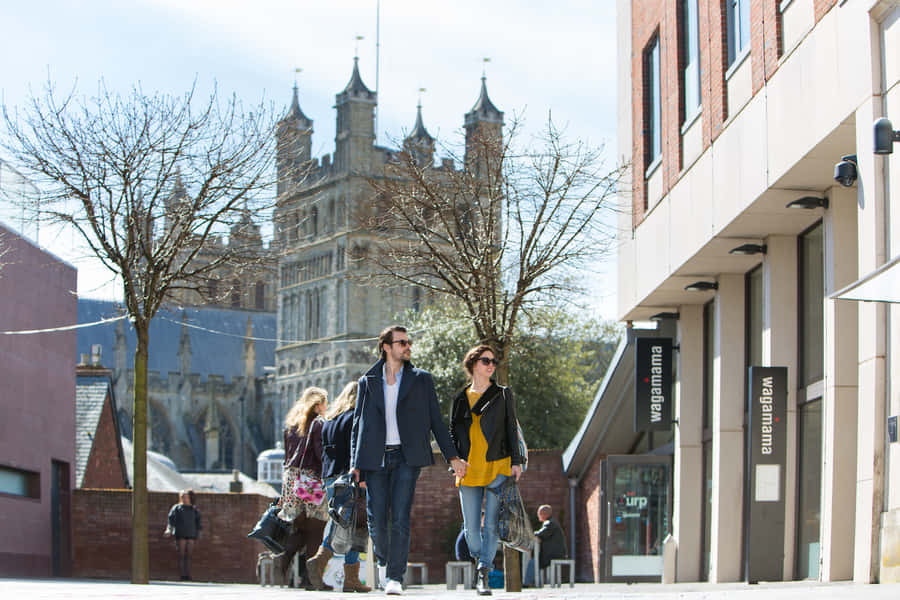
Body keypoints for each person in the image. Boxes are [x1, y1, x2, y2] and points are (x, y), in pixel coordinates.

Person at [350, 325, 468, 596]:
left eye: (408, 342)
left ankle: (394, 577)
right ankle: (382, 561)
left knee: (401, 517)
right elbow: (359, 426)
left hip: (407, 457)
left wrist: (452, 456)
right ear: (386, 347)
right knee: (377, 520)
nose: (407, 346)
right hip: (375, 459)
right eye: (401, 342)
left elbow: (436, 421)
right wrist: (354, 464)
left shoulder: (421, 379)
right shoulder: (367, 381)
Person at [449, 344, 524, 596]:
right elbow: (452, 434)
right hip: (468, 468)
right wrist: (454, 461)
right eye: (485, 360)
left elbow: (511, 428)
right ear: (472, 364)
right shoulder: (460, 398)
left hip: (498, 465)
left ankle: (483, 570)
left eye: (494, 361)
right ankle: (480, 561)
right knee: (471, 528)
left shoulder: (503, 394)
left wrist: (517, 461)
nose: (491, 364)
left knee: (491, 524)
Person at [306, 380, 371, 593]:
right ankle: (322, 560)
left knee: (345, 523)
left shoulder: (330, 421)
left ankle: (350, 578)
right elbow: (358, 448)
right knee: (354, 524)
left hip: (330, 477)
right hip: (350, 476)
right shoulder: (356, 418)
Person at [280, 387, 330, 590]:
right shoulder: (317, 424)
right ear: (318, 405)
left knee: (302, 527)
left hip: (291, 480)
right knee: (317, 527)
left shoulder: (291, 424)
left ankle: (282, 560)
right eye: (325, 403)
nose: (326, 407)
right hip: (310, 479)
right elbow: (320, 454)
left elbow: (286, 455)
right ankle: (311, 579)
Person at [524, 504, 568, 587]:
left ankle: (527, 583)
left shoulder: (549, 523)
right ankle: (533, 582)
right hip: (555, 553)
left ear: (544, 514)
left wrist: (531, 534)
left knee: (533, 562)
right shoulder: (552, 522)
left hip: (553, 554)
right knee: (535, 562)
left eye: (539, 513)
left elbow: (541, 533)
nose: (538, 516)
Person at [165, 489, 201, 581]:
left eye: (186, 497)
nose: (185, 499)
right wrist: (169, 529)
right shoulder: (177, 508)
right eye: (183, 497)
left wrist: (199, 533)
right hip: (181, 533)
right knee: (181, 554)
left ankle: (188, 574)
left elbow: (198, 523)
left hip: (191, 533)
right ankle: (182, 575)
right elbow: (171, 520)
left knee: (188, 555)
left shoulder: (194, 509)